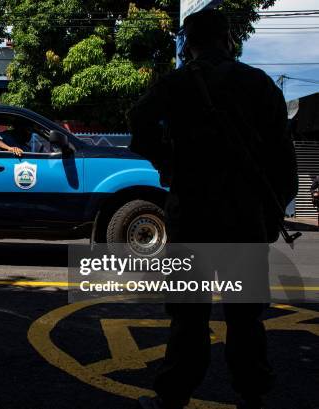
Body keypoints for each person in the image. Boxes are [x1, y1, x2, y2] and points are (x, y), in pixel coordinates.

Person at [128, 9, 298, 409]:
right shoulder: (259, 85)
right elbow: (283, 158)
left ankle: (174, 395)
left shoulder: (177, 82)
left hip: (193, 216)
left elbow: (140, 123)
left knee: (188, 317)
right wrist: (273, 214)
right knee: (245, 318)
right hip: (245, 217)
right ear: (228, 40)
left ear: (189, 42)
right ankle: (252, 395)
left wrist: (169, 160)